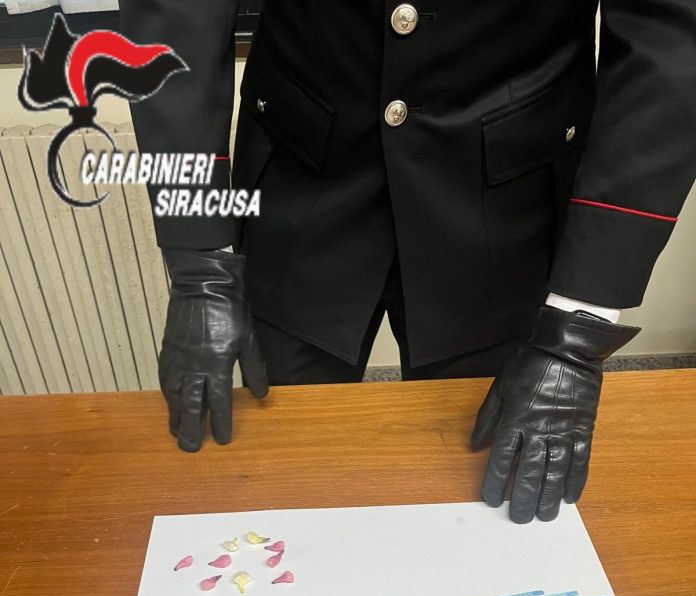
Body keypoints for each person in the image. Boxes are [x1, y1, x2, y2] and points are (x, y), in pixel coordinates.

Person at [119, 1, 695, 523]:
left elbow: (670, 34)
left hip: (509, 196)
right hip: (300, 166)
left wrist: (580, 321)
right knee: (278, 481)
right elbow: (174, 12)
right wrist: (200, 259)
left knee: (486, 499)